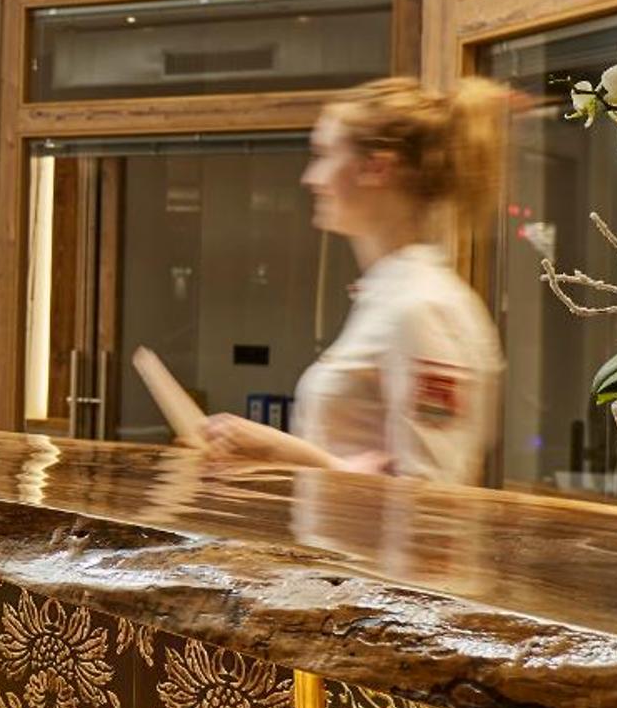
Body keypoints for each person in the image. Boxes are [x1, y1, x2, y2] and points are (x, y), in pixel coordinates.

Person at [197, 78, 508, 485]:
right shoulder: (389, 297)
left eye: (324, 155)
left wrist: (286, 454)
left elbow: (431, 498)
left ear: (376, 167)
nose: (311, 178)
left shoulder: (424, 308)